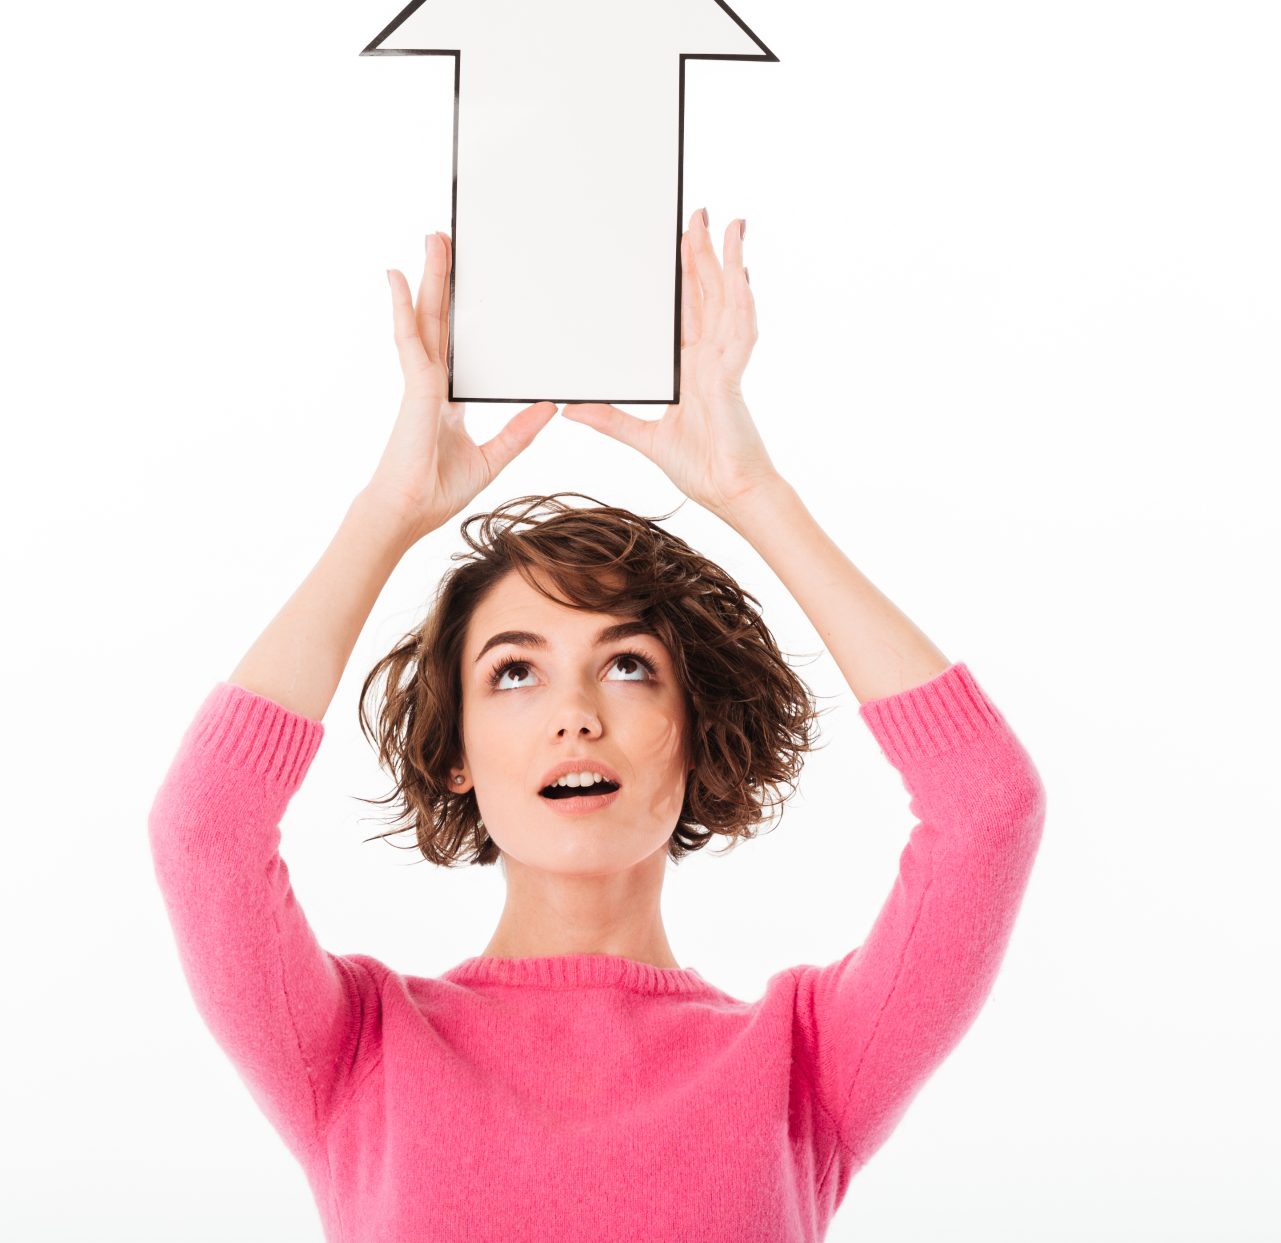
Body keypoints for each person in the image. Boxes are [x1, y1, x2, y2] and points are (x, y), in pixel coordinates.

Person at [148, 208, 1047, 1242]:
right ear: (454, 752)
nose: (575, 715)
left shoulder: (806, 1061)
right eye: (515, 672)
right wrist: (387, 511)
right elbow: (204, 831)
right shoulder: (358, 1051)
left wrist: (751, 492)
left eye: (627, 666)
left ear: (697, 728)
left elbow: (988, 808)